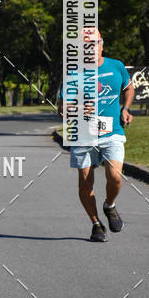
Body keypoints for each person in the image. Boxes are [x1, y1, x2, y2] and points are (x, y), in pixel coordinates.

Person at [57, 30, 134, 242]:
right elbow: (62, 108)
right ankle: (96, 224)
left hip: (112, 131)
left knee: (115, 175)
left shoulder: (116, 66)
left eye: (94, 43)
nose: (90, 48)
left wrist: (126, 108)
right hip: (83, 135)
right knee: (85, 182)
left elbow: (128, 89)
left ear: (102, 44)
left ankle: (110, 205)